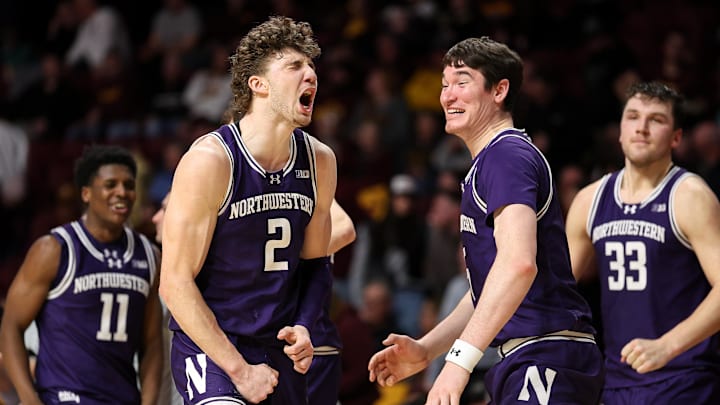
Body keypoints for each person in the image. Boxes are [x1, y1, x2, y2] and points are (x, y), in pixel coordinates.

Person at [367, 36, 604, 404]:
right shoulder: (490, 162)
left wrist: (458, 363)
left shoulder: (505, 156)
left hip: (546, 355)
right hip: (528, 356)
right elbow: (486, 290)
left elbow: (517, 265)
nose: (448, 96)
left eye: (462, 82)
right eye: (445, 85)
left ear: (500, 90)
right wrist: (428, 350)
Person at [158, 16, 336, 405]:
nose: (310, 75)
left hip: (277, 346)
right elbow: (174, 283)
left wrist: (305, 326)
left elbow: (316, 265)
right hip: (214, 346)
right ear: (258, 84)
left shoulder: (320, 160)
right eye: (295, 66)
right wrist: (239, 370)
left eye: (312, 67)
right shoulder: (211, 160)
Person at [565, 81, 720, 403]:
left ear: (676, 137)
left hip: (684, 379)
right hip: (617, 381)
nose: (642, 128)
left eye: (657, 119)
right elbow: (557, 288)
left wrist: (669, 344)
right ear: (620, 131)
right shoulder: (590, 199)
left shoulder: (690, 195)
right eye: (633, 117)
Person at [0, 144, 163, 405]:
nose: (122, 192)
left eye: (128, 185)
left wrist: (149, 402)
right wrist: (29, 398)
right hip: (63, 397)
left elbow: (152, 344)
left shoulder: (148, 254)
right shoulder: (53, 249)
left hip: (121, 398)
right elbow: (11, 325)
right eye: (110, 184)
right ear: (86, 193)